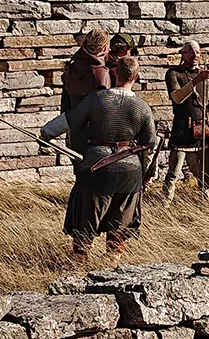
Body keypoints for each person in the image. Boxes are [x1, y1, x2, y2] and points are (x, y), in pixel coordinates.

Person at [41, 64, 157, 259]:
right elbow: (149, 145)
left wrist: (47, 133)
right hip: (130, 173)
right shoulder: (142, 107)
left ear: (115, 73)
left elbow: (70, 119)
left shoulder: (97, 99)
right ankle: (112, 264)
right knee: (119, 226)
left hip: (96, 168)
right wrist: (148, 175)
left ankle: (79, 264)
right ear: (136, 77)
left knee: (85, 224)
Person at [162, 40, 209, 199]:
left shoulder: (201, 74)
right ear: (183, 53)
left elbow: (204, 103)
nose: (195, 55)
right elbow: (177, 98)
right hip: (182, 128)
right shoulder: (173, 73)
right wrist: (197, 80)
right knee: (174, 172)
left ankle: (205, 203)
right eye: (191, 51)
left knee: (203, 172)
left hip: (200, 128)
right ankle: (165, 203)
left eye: (197, 52)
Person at [60, 30, 112, 115]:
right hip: (93, 123)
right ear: (105, 48)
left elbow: (65, 106)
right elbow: (105, 113)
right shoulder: (101, 73)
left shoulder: (73, 66)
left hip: (73, 121)